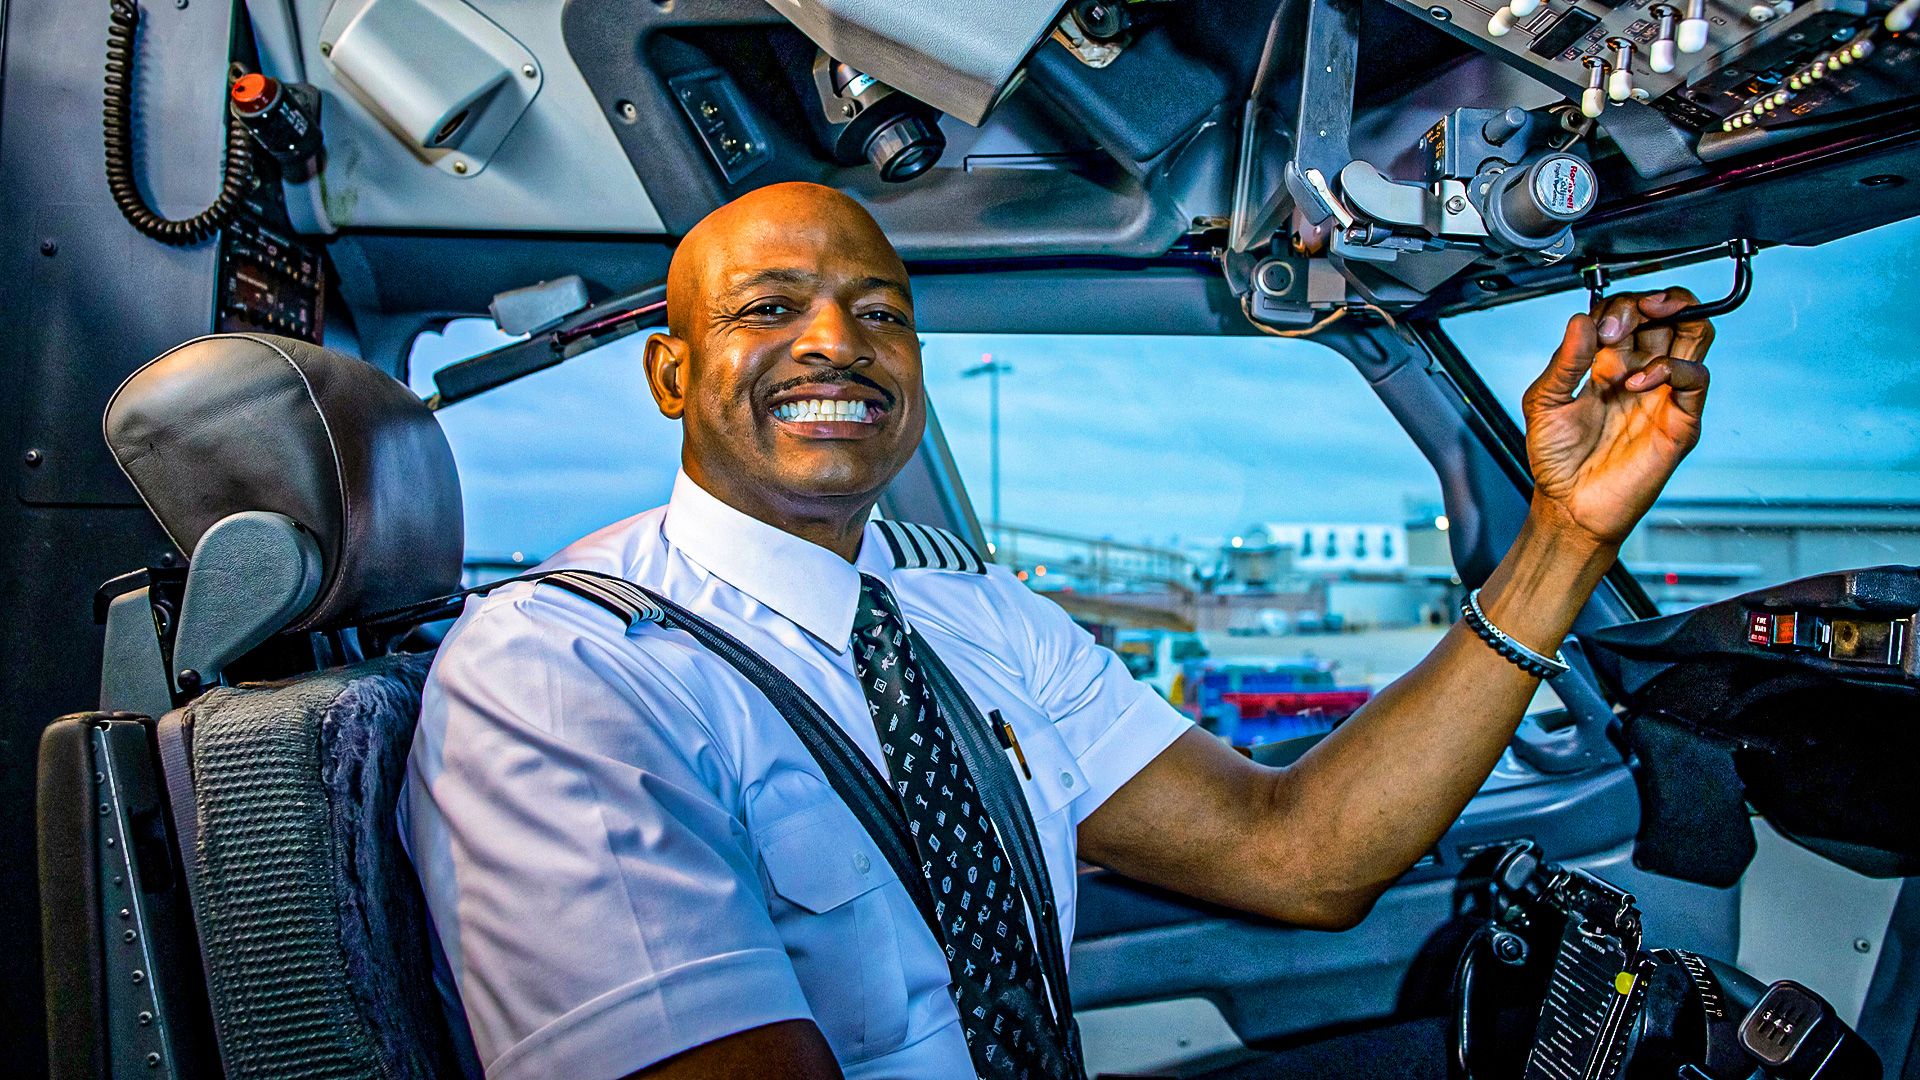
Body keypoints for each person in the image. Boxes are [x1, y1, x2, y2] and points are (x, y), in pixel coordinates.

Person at [402, 181, 1714, 1080]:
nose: (838, 347)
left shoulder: (969, 617)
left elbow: (1301, 856)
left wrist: (1567, 538)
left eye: (880, 313)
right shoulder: (562, 671)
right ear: (672, 373)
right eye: (766, 308)